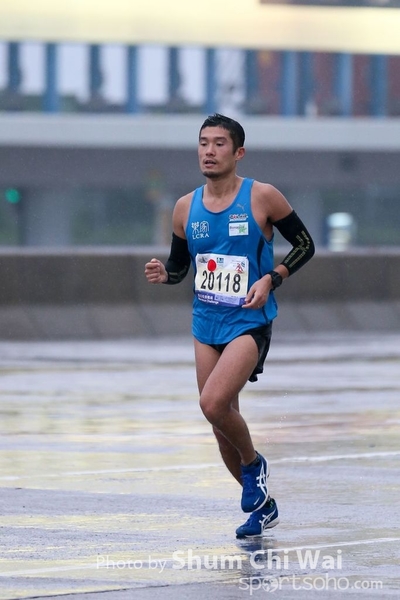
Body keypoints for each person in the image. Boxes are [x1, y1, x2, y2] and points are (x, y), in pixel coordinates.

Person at [144, 113, 315, 538]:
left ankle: (255, 465)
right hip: (206, 323)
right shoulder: (185, 207)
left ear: (238, 152)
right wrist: (165, 274)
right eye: (203, 143)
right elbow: (181, 267)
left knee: (212, 404)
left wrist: (272, 278)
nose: (209, 151)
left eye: (219, 143)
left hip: (249, 320)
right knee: (221, 424)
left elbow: (305, 244)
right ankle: (263, 507)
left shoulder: (262, 196)